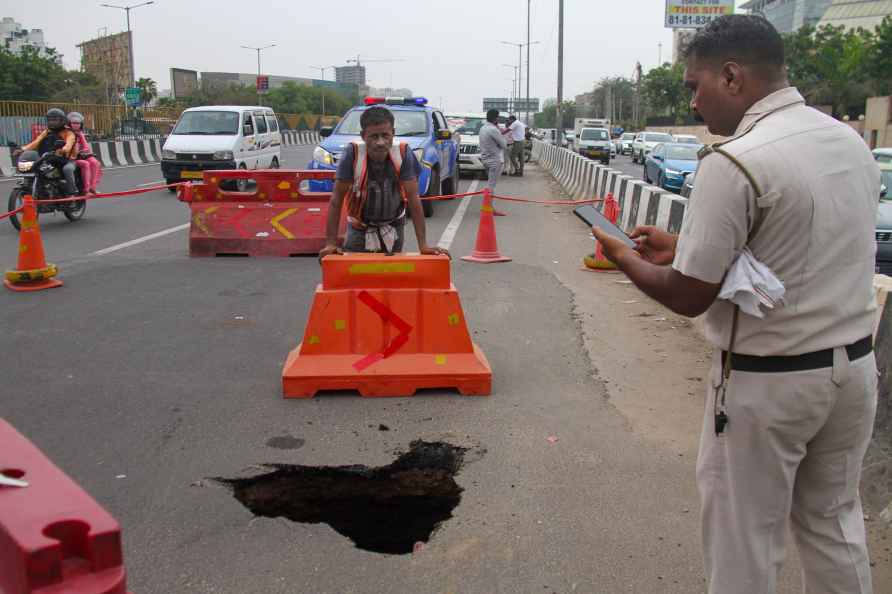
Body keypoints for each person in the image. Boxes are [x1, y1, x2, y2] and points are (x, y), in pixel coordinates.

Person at [592, 15, 878, 594]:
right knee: (833, 526)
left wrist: (621, 257)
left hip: (767, 387)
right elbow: (797, 252)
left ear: (730, 77)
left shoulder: (734, 160)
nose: (693, 101)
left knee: (744, 537)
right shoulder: (847, 142)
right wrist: (684, 248)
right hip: (852, 373)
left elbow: (687, 296)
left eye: (694, 85)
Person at [319, 106, 449, 259]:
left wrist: (423, 245)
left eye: (385, 135)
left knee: (391, 276)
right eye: (373, 136)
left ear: (393, 133)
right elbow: (336, 200)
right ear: (363, 136)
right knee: (357, 276)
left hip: (394, 226)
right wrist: (330, 243)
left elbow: (414, 199)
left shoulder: (403, 152)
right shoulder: (352, 154)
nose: (380, 142)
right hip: (359, 227)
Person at [16, 108, 78, 196]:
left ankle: (72, 191)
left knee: (67, 169)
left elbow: (69, 144)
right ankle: (42, 190)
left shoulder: (69, 133)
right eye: (50, 120)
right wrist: (22, 149)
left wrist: (62, 150)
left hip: (67, 159)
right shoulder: (47, 131)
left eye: (55, 120)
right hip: (50, 158)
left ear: (62, 120)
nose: (52, 122)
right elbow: (36, 142)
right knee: (38, 170)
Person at [66, 112, 102, 195]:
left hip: (80, 155)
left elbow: (86, 147)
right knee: (85, 164)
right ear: (69, 124)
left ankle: (92, 188)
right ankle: (86, 189)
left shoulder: (80, 134)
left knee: (95, 162)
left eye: (78, 123)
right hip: (70, 158)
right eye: (74, 123)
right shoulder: (66, 133)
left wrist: (82, 152)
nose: (76, 125)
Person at [478, 109, 508, 193]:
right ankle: (487, 205)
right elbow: (504, 144)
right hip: (494, 160)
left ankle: (488, 205)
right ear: (496, 118)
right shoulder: (493, 129)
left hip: (485, 159)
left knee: (490, 183)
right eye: (498, 117)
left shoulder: (482, 128)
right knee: (491, 185)